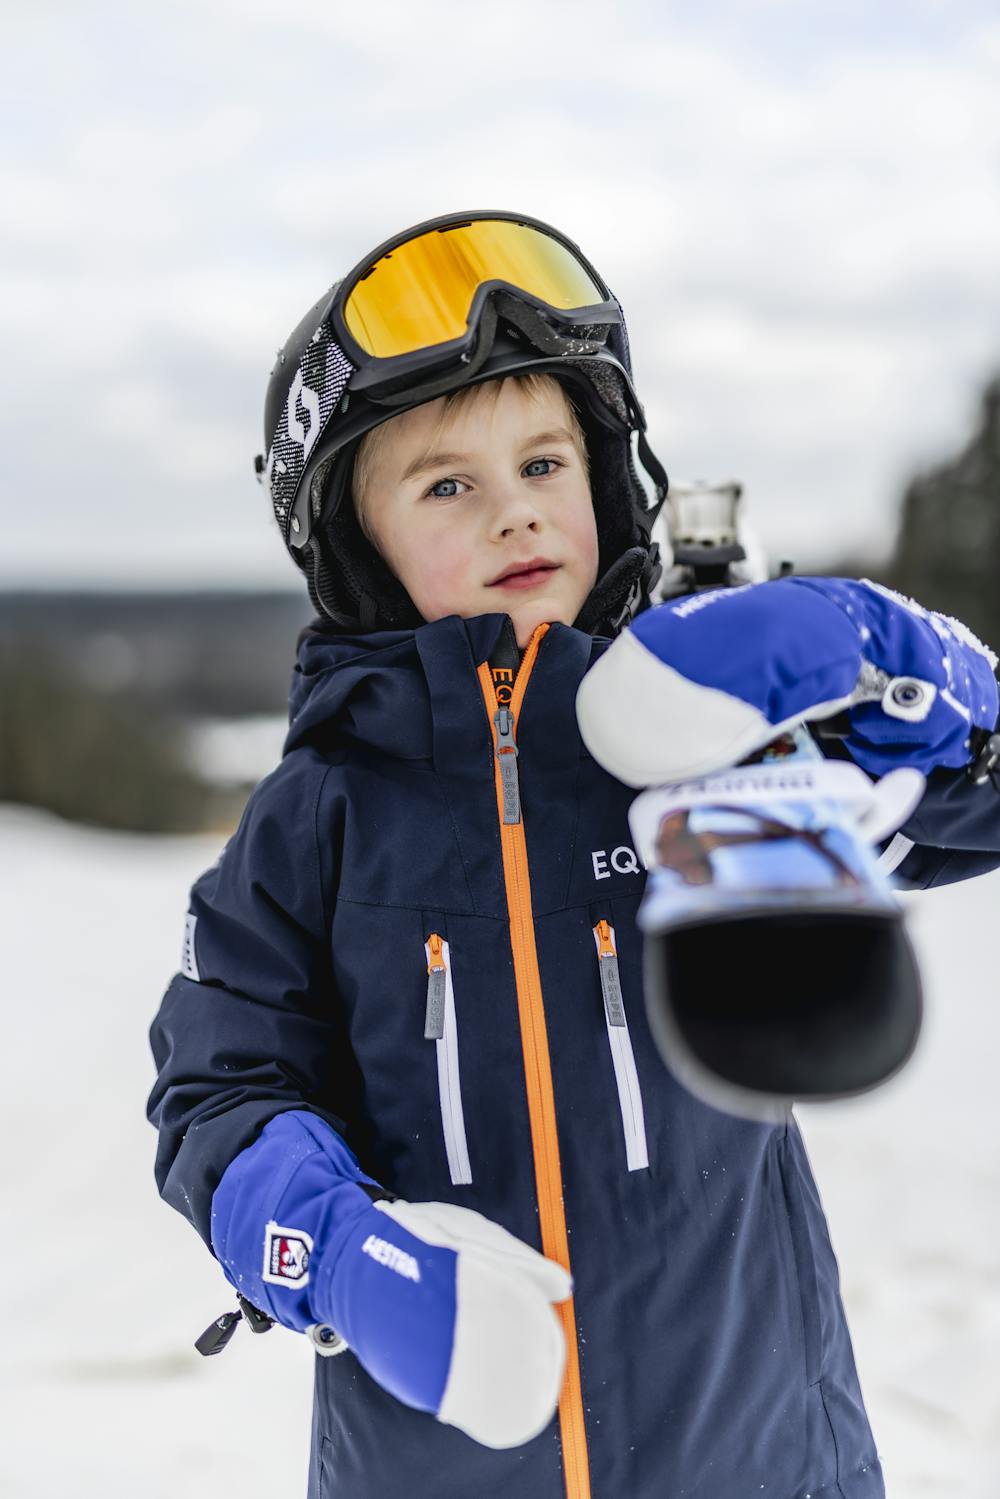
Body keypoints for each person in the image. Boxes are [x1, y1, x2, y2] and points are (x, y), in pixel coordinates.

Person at [147, 211, 1000, 1499]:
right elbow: (219, 1090)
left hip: (764, 1457)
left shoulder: (707, 745)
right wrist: (332, 1251)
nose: (516, 514)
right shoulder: (313, 820)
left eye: (545, 463)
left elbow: (970, 810)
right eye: (449, 485)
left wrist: (917, 673)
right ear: (359, 550)